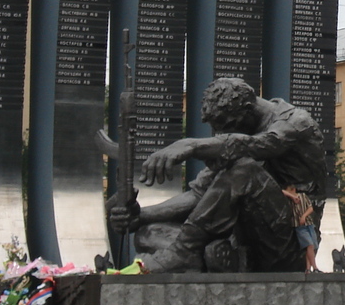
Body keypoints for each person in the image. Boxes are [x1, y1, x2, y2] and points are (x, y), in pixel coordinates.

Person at [108, 77, 326, 273]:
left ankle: (187, 252)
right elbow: (198, 195)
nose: (224, 135)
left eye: (229, 128)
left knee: (244, 170)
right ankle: (219, 257)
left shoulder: (296, 123)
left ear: (249, 110)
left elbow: (259, 145)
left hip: (288, 247)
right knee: (148, 233)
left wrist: (191, 145)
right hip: (243, 242)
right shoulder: (238, 141)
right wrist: (140, 216)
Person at [283, 184, 318, 272]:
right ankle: (315, 267)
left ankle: (308, 268)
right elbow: (281, 192)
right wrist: (292, 196)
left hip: (309, 223)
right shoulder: (289, 199)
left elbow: (310, 208)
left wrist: (304, 216)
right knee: (309, 244)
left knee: (311, 246)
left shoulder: (303, 196)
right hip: (299, 226)